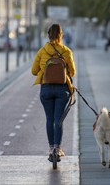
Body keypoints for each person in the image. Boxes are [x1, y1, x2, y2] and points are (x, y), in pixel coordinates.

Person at [31, 24, 76, 161]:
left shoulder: (42, 51)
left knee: (49, 119)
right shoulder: (66, 51)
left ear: (48, 35)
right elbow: (72, 72)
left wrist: (44, 70)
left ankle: (51, 149)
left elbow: (33, 71)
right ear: (61, 35)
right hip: (62, 89)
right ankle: (58, 148)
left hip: (46, 89)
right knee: (58, 120)